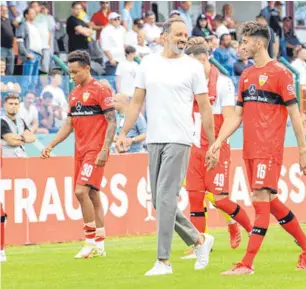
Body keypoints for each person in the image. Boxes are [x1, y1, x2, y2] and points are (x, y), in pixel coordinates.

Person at [207, 21, 306, 275]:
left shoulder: (280, 73)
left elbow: (294, 113)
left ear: (258, 42)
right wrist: (218, 142)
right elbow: (236, 116)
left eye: (244, 41)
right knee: (270, 200)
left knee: (259, 201)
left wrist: (303, 151)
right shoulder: (246, 75)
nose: (240, 45)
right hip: (250, 150)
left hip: (269, 148)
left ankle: (247, 263)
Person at [116, 18, 216, 276]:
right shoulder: (148, 63)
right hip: (154, 139)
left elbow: (204, 106)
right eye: (178, 34)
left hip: (180, 138)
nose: (183, 39)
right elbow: (136, 102)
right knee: (162, 204)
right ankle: (200, 240)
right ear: (164, 36)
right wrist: (124, 132)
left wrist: (213, 142)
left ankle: (163, 261)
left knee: (165, 198)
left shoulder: (193, 67)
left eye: (186, 35)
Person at [41, 50, 117, 259]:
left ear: (86, 68)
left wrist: (104, 149)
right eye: (69, 72)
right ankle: (100, 245)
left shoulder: (101, 89)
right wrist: (51, 144)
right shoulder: (74, 93)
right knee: (92, 194)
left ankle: (89, 241)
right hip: (80, 151)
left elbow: (112, 120)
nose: (72, 76)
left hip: (96, 150)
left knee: (81, 192)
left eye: (75, 72)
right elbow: (69, 123)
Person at [182, 37, 253, 259]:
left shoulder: (223, 83)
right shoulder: (187, 83)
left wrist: (218, 143)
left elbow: (231, 118)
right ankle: (200, 246)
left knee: (220, 199)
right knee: (194, 199)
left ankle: (252, 230)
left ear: (203, 59)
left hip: (216, 146)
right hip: (193, 147)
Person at [1, 93, 36, 157]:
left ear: (19, 106)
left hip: (21, 157)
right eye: (11, 104)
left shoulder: (21, 121)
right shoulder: (2, 121)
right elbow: (12, 142)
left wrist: (20, 138)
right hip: (7, 158)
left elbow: (32, 138)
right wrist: (25, 138)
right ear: (5, 105)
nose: (13, 106)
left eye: (16, 104)